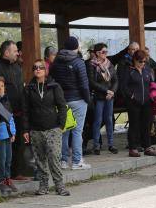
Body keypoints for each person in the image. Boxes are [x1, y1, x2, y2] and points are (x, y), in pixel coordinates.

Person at [21, 59, 69, 196]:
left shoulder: (54, 86)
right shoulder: (28, 89)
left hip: (53, 127)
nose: (37, 69)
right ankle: (43, 186)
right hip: (36, 129)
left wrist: (61, 125)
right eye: (35, 67)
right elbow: (25, 111)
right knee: (39, 159)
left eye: (40, 67)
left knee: (54, 156)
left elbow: (62, 106)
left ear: (45, 70)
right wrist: (25, 130)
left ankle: (59, 185)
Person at [0, 40, 30, 179]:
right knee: (4, 149)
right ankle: (2, 177)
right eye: (14, 51)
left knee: (20, 143)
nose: (18, 53)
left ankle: (17, 172)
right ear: (6, 53)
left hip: (20, 111)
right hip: (3, 114)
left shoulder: (18, 67)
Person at [51, 36, 91, 170]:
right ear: (76, 47)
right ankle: (76, 161)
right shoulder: (78, 62)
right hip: (78, 99)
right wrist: (88, 99)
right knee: (77, 131)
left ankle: (63, 160)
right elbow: (84, 85)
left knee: (64, 131)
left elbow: (52, 80)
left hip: (62, 100)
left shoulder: (56, 61)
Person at [118, 49, 156, 157]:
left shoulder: (146, 70)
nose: (142, 64)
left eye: (144, 62)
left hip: (146, 101)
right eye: (140, 62)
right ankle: (133, 147)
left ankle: (147, 146)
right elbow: (123, 86)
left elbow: (151, 83)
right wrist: (131, 96)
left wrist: (152, 94)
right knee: (134, 125)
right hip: (134, 102)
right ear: (134, 60)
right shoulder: (129, 70)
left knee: (147, 124)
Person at [87, 43, 119, 155]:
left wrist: (112, 91)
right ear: (97, 53)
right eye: (103, 52)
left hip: (110, 96)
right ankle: (96, 145)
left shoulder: (109, 64)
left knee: (109, 120)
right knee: (98, 120)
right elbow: (92, 82)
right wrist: (106, 91)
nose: (105, 54)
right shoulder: (91, 64)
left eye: (106, 52)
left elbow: (115, 80)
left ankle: (111, 144)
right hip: (99, 96)